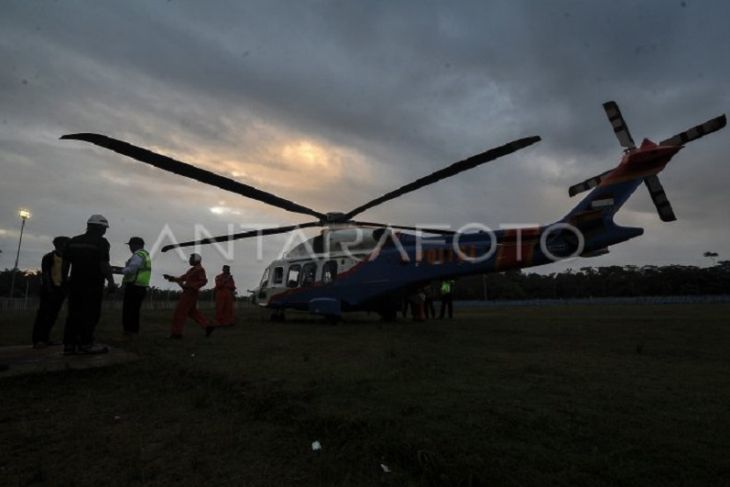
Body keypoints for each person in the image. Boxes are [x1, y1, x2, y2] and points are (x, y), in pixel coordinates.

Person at [62, 214, 116, 355]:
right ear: (99, 228)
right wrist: (111, 281)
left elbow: (66, 263)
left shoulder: (73, 241)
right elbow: (104, 264)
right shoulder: (101, 242)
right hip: (93, 284)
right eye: (104, 228)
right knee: (90, 314)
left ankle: (69, 345)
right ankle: (86, 344)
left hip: (75, 284)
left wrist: (64, 280)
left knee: (73, 314)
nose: (105, 231)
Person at [32, 236, 70, 348]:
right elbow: (46, 274)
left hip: (60, 291)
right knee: (43, 315)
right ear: (61, 244)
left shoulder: (66, 259)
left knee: (53, 315)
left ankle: (45, 339)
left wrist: (64, 289)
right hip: (49, 290)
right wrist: (49, 289)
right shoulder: (48, 257)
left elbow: (64, 275)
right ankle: (38, 340)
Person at [165, 253, 214, 338]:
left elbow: (204, 281)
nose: (189, 260)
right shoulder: (192, 270)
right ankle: (207, 326)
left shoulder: (199, 269)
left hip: (190, 293)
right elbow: (182, 278)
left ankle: (176, 334)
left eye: (191, 258)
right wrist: (171, 278)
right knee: (192, 312)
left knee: (180, 312)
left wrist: (192, 286)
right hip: (188, 292)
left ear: (196, 260)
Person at [121, 236, 151, 335]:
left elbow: (133, 268)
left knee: (129, 310)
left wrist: (123, 271)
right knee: (134, 310)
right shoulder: (145, 255)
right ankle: (133, 331)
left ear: (136, 245)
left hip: (134, 286)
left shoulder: (138, 254)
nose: (130, 247)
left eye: (131, 245)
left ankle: (129, 331)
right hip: (141, 286)